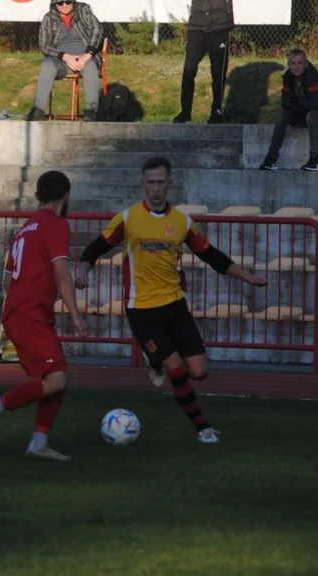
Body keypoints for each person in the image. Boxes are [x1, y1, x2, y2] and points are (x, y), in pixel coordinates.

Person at [75, 156, 266, 444]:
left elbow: (210, 255)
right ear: (142, 184)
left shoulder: (182, 222)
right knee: (175, 369)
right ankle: (202, 427)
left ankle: (154, 358)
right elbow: (95, 248)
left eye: (160, 182)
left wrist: (246, 275)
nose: (155, 188)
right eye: (150, 182)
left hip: (175, 306)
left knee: (199, 372)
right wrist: (83, 270)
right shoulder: (127, 219)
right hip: (141, 310)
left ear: (169, 183)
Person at [0, 170, 87, 461]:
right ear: (66, 195)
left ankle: (38, 443)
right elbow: (61, 272)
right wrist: (75, 313)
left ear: (37, 196)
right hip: (30, 313)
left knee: (56, 376)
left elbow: (8, 280)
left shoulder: (24, 229)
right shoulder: (56, 224)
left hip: (18, 311)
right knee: (57, 378)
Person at [175, 0, 245, 124]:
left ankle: (216, 111)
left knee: (217, 72)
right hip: (197, 28)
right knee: (189, 70)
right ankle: (185, 111)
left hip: (219, 28)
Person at [25, 0, 104, 122]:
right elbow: (44, 46)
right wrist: (65, 57)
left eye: (68, 1)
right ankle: (38, 110)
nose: (65, 5)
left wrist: (88, 54)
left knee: (91, 67)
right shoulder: (49, 18)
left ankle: (92, 110)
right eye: (60, 3)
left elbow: (97, 29)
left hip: (85, 58)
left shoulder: (83, 11)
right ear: (54, 4)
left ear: (73, 1)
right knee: (47, 65)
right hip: (61, 61)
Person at [258, 49, 318, 172]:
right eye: (293, 63)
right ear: (289, 65)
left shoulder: (314, 78)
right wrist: (298, 105)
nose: (296, 67)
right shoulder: (288, 77)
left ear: (306, 64)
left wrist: (297, 103)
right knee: (282, 114)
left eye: (299, 63)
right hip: (305, 112)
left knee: (312, 116)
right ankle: (271, 158)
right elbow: (285, 103)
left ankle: (315, 159)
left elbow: (316, 105)